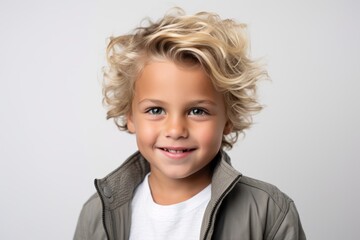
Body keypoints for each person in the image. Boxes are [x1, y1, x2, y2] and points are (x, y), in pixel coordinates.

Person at [74, 8, 306, 240]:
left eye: (197, 111)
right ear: (130, 117)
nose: (175, 130)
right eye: (156, 110)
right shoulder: (96, 215)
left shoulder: (268, 212)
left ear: (229, 119)